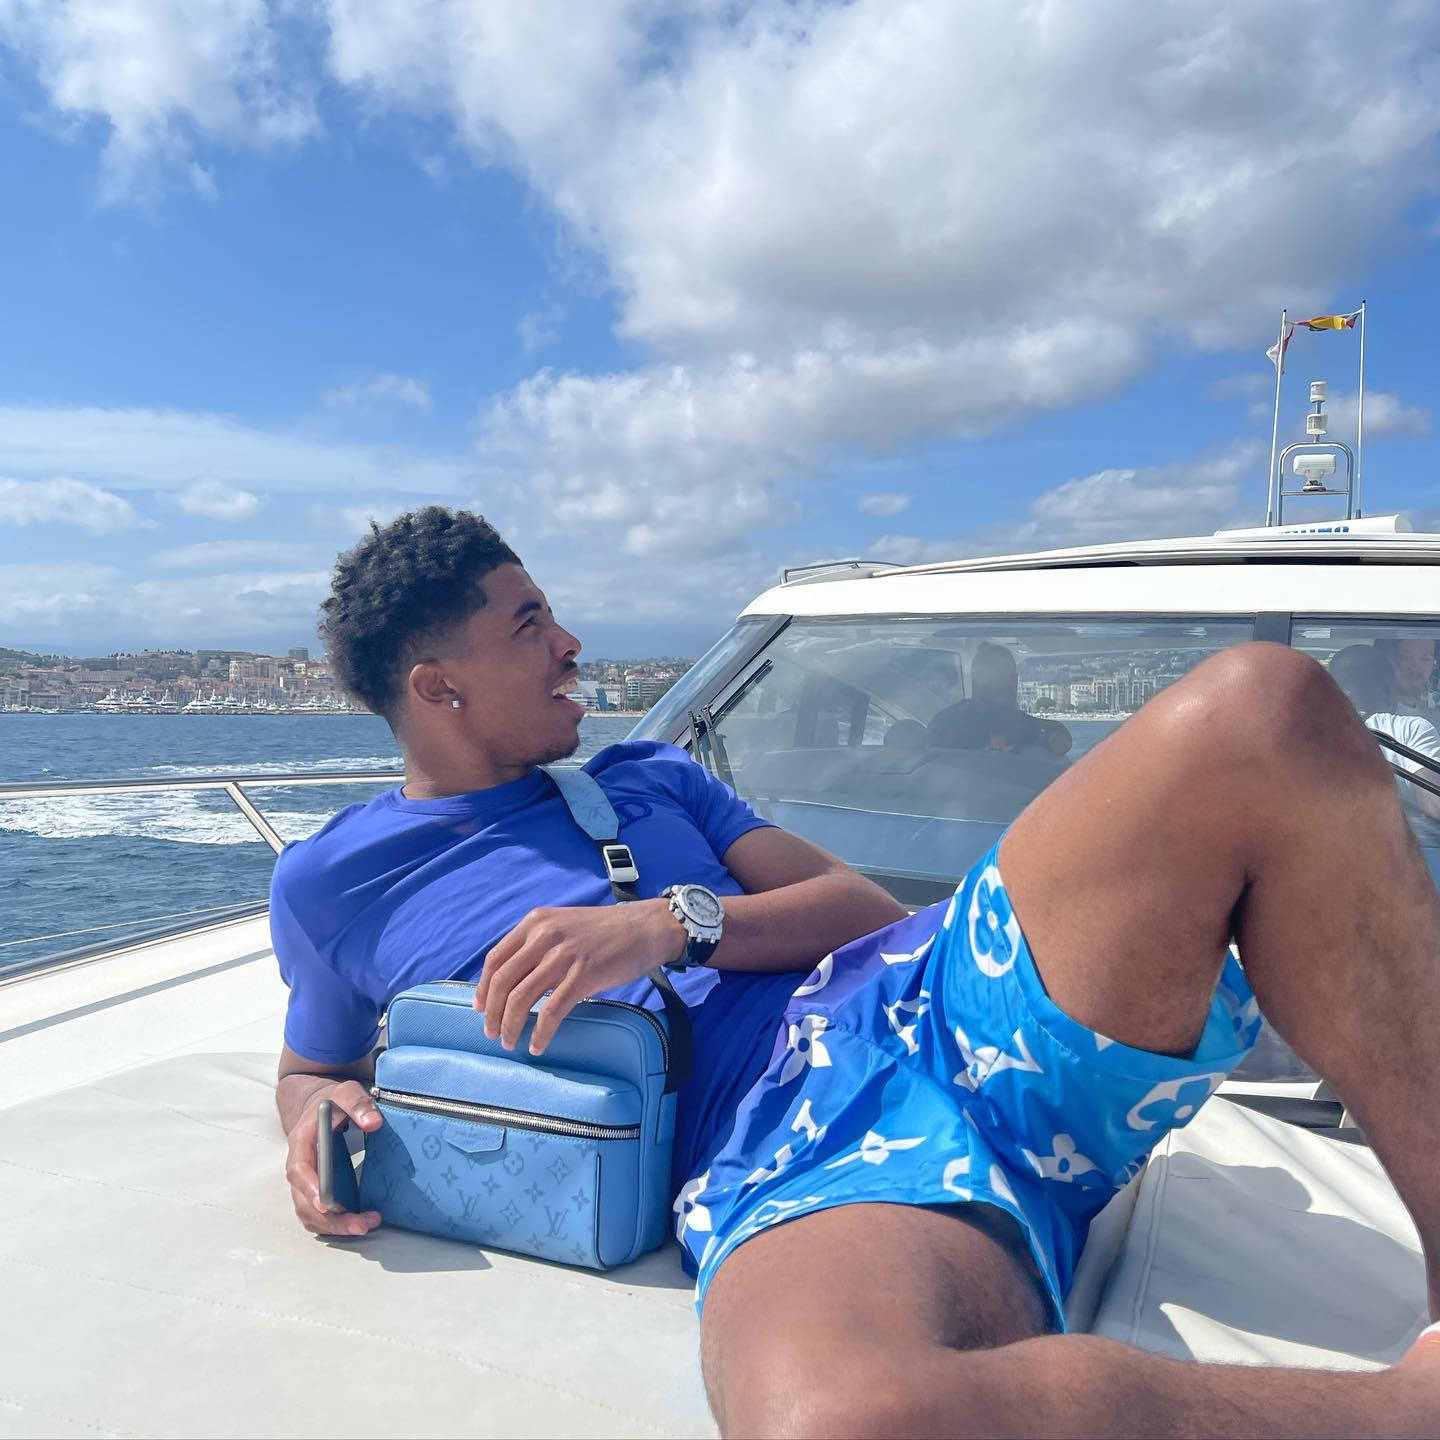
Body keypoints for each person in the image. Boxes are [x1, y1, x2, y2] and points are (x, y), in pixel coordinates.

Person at [278, 508, 1440, 1438]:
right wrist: (312, 1116)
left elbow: (867, 912)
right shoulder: (333, 883)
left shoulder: (647, 778)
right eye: (530, 623)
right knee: (842, 1417)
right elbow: (310, 1065)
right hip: (787, 1155)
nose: (571, 643)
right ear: (439, 687)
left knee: (1261, 708)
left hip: (929, 998)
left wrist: (668, 926)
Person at [1329, 643, 1440, 821]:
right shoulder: (1411, 729)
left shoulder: (1308, 734)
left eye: (1425, 658)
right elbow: (1436, 805)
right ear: (1390, 689)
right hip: (1407, 838)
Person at [928, 642, 1072, 756]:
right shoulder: (947, 722)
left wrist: (1056, 735)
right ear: (978, 680)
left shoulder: (1022, 723)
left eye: (1012, 676)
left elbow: (1056, 735)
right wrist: (989, 740)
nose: (1009, 683)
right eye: (999, 675)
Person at [1378, 637, 1440, 722]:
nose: (1415, 668)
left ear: (1434, 665)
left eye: (1426, 659)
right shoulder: (1373, 721)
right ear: (1390, 661)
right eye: (1405, 657)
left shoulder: (1436, 719)